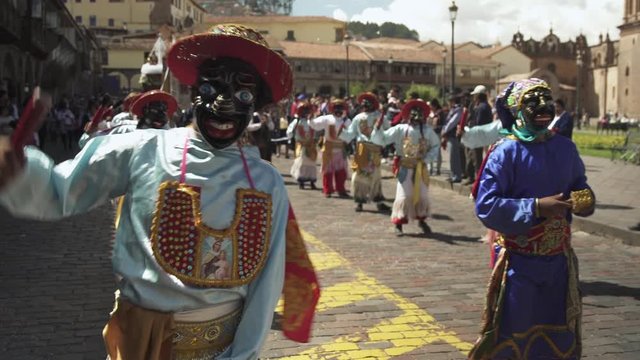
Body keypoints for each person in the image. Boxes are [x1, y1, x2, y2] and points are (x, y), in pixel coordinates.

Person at [0, 24, 319, 359]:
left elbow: (266, 285)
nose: (224, 105)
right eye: (212, 87)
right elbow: (59, 191)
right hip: (136, 344)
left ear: (256, 104)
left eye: (242, 94)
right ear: (193, 88)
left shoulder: (266, 182)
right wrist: (21, 173)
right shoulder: (140, 150)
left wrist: (243, 354)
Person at [469, 78, 596, 359]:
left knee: (557, 331)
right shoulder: (505, 152)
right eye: (532, 101)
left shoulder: (565, 148)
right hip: (519, 262)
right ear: (516, 110)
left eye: (547, 99)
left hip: (559, 262)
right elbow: (486, 206)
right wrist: (536, 206)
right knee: (515, 332)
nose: (543, 106)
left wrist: (585, 201)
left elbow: (579, 184)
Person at [372, 100, 439, 235]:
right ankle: (399, 222)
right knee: (404, 194)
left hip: (421, 167)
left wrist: (426, 159)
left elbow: (435, 146)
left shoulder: (428, 131)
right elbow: (384, 139)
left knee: (422, 194)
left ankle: (421, 219)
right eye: (413, 115)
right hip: (405, 166)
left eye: (418, 115)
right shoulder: (401, 129)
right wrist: (377, 129)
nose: (415, 117)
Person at [339, 92, 391, 212]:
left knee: (376, 176)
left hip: (375, 148)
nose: (365, 106)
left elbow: (388, 132)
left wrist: (385, 140)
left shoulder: (380, 117)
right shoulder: (358, 118)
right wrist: (341, 132)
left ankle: (378, 201)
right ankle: (359, 200)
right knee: (359, 176)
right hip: (362, 148)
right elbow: (350, 134)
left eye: (368, 104)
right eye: (364, 104)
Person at [309, 99, 351, 198]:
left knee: (341, 171)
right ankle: (327, 189)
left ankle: (341, 189)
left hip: (340, 148)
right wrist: (311, 119)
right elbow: (315, 125)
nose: (338, 110)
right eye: (336, 108)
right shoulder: (327, 118)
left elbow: (351, 132)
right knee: (327, 171)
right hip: (328, 148)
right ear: (332, 109)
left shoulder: (347, 121)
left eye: (340, 108)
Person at [287, 102, 318, 189]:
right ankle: (301, 181)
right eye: (304, 111)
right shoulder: (297, 121)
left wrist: (315, 138)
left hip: (311, 145)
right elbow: (289, 130)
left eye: (307, 111)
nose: (306, 113)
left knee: (311, 163)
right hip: (301, 144)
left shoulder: (311, 121)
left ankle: (312, 181)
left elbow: (315, 130)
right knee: (301, 162)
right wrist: (290, 138)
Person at [440, 94, 463, 183]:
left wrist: (444, 130)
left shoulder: (458, 110)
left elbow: (452, 122)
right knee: (452, 157)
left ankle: (457, 176)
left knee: (454, 157)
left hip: (453, 136)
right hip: (450, 135)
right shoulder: (453, 110)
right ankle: (454, 174)